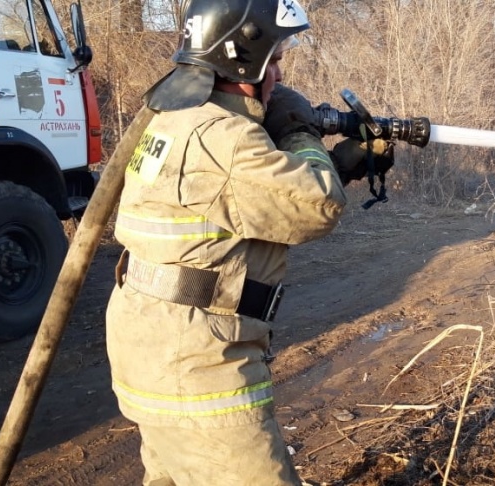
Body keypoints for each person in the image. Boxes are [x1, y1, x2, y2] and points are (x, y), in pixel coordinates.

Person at [105, 0, 384, 484]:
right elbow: (317, 206)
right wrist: (298, 133)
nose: (279, 75)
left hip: (154, 348)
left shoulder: (174, 118)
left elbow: (242, 202)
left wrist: (337, 164)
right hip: (198, 368)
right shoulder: (226, 137)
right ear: (242, 60)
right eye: (273, 60)